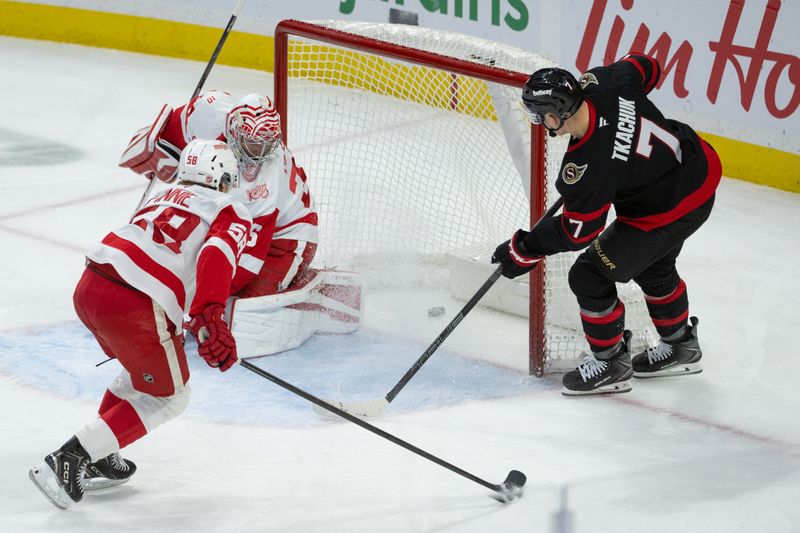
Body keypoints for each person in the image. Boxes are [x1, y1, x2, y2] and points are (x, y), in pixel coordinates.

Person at [29, 140, 252, 510]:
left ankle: (102, 453)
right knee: (169, 396)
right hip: (135, 304)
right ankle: (69, 459)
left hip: (91, 287)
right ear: (222, 179)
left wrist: (195, 320)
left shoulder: (164, 195)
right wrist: (211, 312)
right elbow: (214, 254)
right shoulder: (230, 209)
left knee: (144, 373)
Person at [491, 54, 721, 396]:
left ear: (555, 115)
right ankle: (681, 345)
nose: (538, 122)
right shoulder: (602, 82)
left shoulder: (587, 168)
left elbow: (578, 232)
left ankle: (610, 362)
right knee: (653, 265)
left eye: (539, 116)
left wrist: (525, 249)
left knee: (588, 275)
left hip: (665, 208)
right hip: (698, 170)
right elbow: (647, 66)